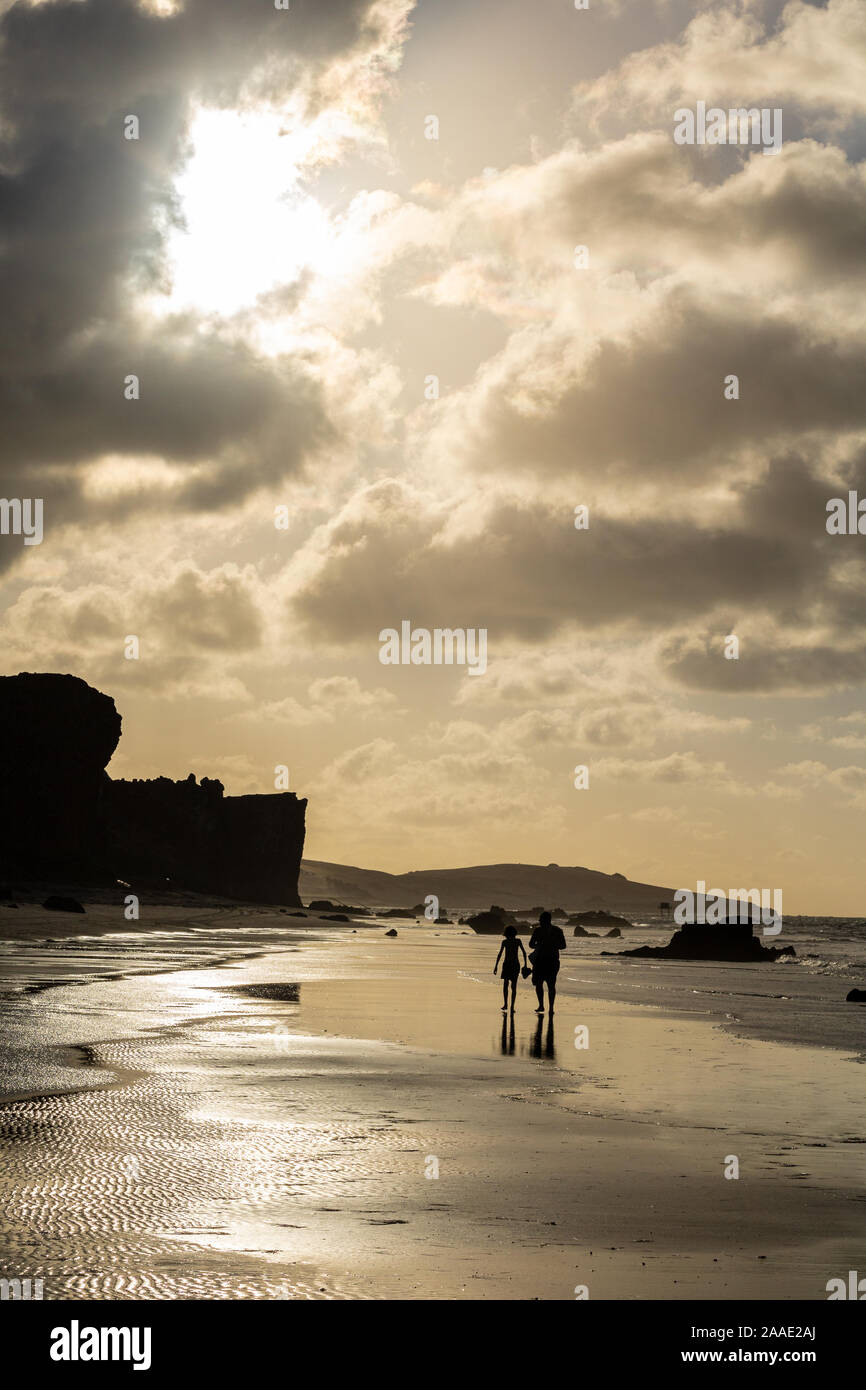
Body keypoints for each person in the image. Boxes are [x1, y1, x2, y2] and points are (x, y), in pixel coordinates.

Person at [528, 910, 567, 1015]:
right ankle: (549, 1008)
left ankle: (542, 1006)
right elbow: (563, 946)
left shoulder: (538, 931)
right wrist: (551, 945)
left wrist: (541, 945)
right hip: (551, 961)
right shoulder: (557, 930)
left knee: (541, 984)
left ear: (545, 920)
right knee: (549, 985)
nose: (539, 921)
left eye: (540, 920)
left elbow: (531, 944)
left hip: (542, 961)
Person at [493, 924, 527, 1013]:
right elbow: (524, 953)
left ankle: (506, 1004)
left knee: (506, 985)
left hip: (508, 964)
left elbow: (500, 954)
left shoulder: (505, 942)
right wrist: (525, 964)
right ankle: (511, 1006)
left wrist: (496, 966)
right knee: (513, 986)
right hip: (515, 964)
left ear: (506, 933)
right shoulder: (517, 941)